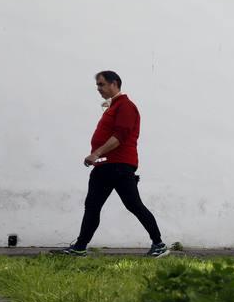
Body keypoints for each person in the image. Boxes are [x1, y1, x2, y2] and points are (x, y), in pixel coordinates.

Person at [51, 71, 168, 257]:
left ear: (114, 84)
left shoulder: (126, 106)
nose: (98, 89)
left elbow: (120, 136)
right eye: (97, 85)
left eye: (101, 84)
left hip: (120, 166)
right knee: (92, 206)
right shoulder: (114, 107)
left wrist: (96, 153)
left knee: (134, 205)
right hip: (105, 166)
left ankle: (159, 244)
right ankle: (80, 247)